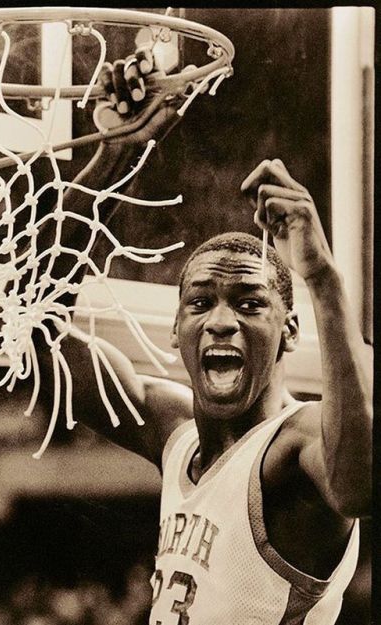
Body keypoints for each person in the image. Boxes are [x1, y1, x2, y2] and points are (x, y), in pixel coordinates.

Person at [33, 53, 372, 624]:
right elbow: (31, 328)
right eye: (200, 303)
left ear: (289, 332)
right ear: (176, 330)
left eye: (249, 304)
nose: (220, 321)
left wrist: (321, 278)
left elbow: (358, 488)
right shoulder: (175, 437)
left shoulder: (296, 443)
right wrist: (116, 155)